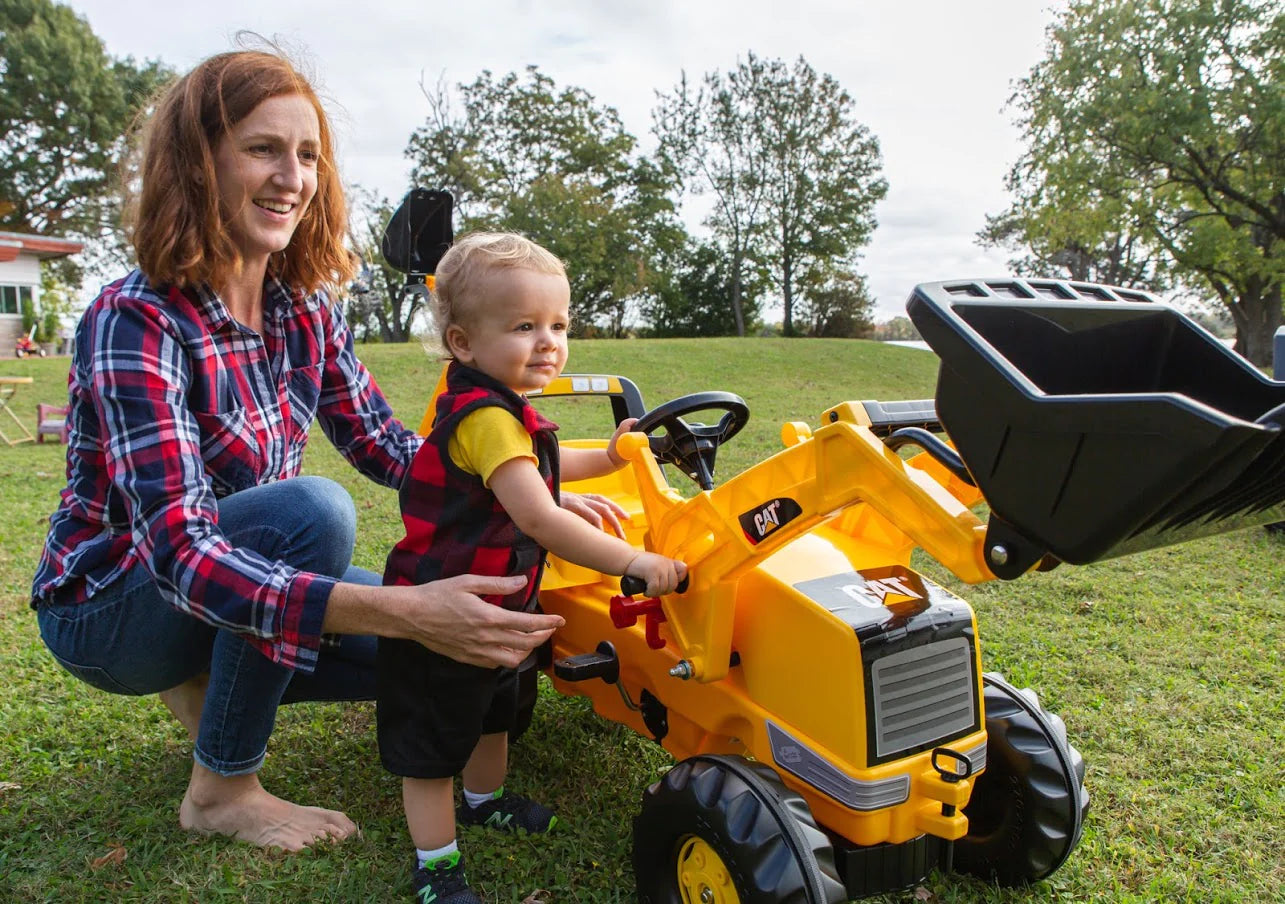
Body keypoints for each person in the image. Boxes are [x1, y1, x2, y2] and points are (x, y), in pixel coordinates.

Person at [26, 49, 629, 853]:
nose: (292, 177)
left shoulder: (302, 308)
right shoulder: (135, 318)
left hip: (230, 575)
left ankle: (210, 672)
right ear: (199, 163)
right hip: (112, 606)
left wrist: (532, 487)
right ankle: (222, 790)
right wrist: (404, 606)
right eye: (262, 149)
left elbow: (394, 451)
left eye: (307, 155)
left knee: (440, 655)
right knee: (312, 513)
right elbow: (181, 553)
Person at [378, 232, 686, 903]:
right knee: (431, 748)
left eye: (557, 325)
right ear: (463, 343)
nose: (548, 342)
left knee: (495, 714)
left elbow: (538, 466)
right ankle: (434, 865)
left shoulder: (509, 414)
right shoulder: (483, 418)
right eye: (524, 326)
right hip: (442, 614)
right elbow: (540, 518)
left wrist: (606, 458)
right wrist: (634, 561)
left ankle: (483, 799)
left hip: (499, 612)